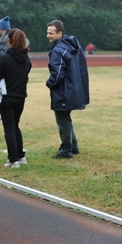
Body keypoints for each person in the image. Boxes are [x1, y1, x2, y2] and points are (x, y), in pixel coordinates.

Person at [46, 20, 89, 159]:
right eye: (47, 32)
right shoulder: (73, 47)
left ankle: (66, 150)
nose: (48, 35)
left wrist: (49, 83)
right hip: (74, 89)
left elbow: (58, 73)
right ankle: (73, 145)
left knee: (62, 120)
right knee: (66, 118)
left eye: (51, 33)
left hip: (64, 91)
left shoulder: (58, 50)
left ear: (60, 33)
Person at [0, 28, 32, 168]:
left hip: (6, 97)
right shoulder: (27, 60)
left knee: (9, 128)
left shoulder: (3, 59)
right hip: (21, 97)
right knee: (15, 126)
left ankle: (13, 159)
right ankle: (20, 156)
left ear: (9, 41)